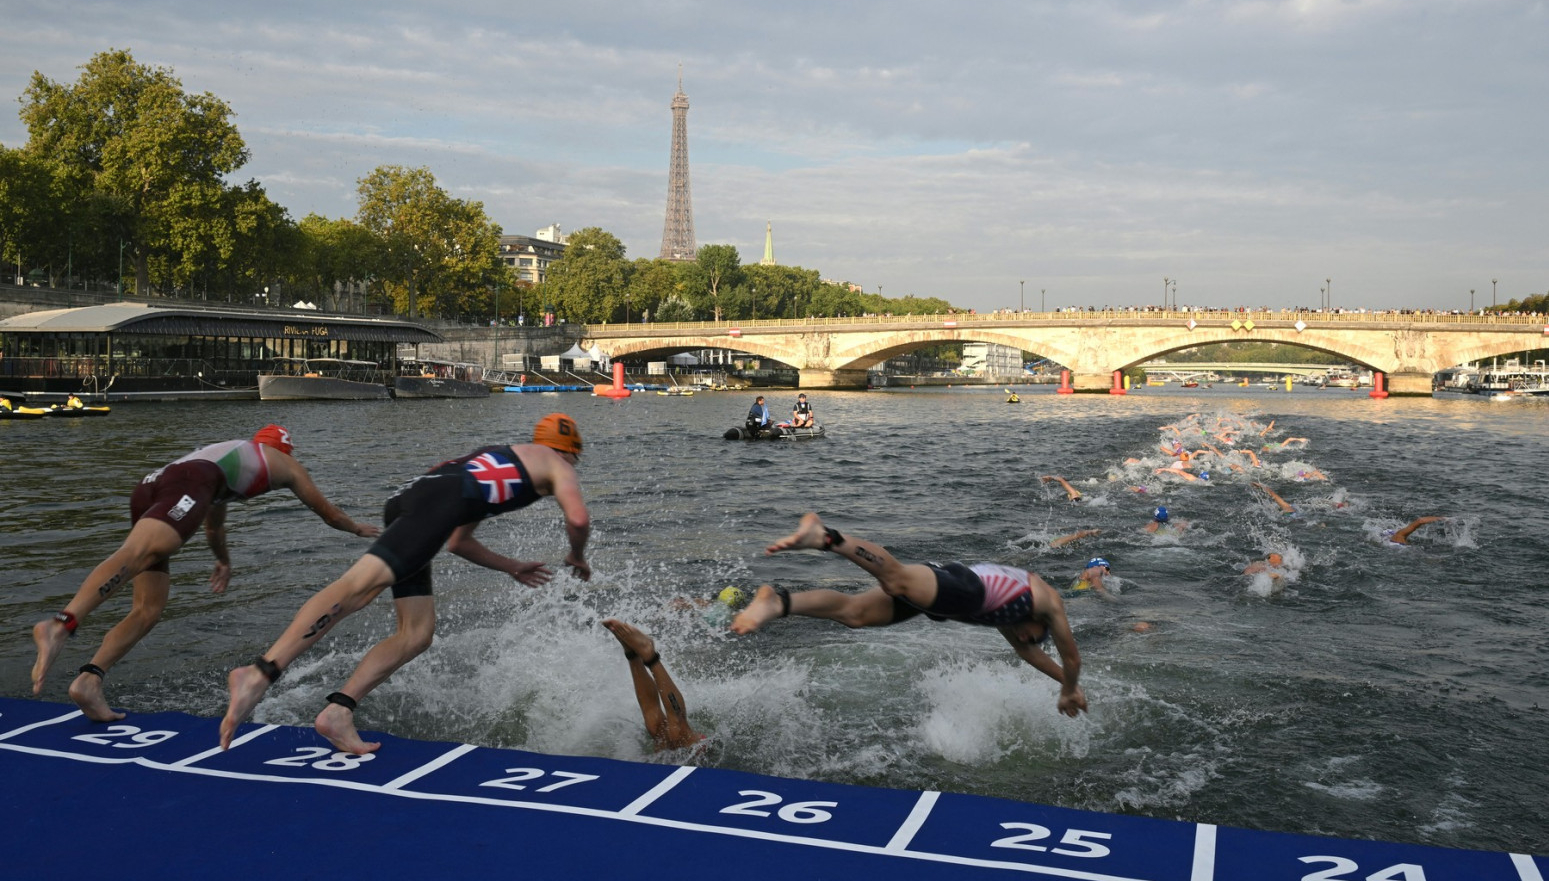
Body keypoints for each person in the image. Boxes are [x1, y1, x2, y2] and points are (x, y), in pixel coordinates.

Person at [220, 413, 592, 753]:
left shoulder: (500, 457)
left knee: (416, 633)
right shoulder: (558, 464)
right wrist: (576, 555)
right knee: (356, 589)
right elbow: (577, 519)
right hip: (437, 505)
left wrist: (511, 566)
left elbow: (458, 541)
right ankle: (260, 672)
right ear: (570, 450)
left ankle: (338, 712)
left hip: (413, 498)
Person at [30, 425, 380, 722]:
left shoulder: (228, 459)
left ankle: (89, 680)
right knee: (137, 553)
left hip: (154, 485)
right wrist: (356, 529)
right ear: (283, 450)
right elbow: (328, 513)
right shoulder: (283, 463)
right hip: (185, 484)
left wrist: (223, 561)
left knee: (148, 607)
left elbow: (213, 525)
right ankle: (62, 623)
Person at [731, 513, 1087, 718]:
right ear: (1041, 624)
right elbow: (1071, 657)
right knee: (896, 580)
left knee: (855, 614)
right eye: (1035, 636)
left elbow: (1029, 654)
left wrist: (1067, 688)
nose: (1027, 640)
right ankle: (826, 537)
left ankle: (778, 603)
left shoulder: (1014, 624)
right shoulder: (1046, 601)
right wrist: (1070, 685)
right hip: (963, 587)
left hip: (947, 597)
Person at [601, 619, 704, 752]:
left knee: (672, 731)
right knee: (659, 728)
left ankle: (644, 656)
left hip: (699, 752)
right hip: (691, 754)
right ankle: (635, 654)